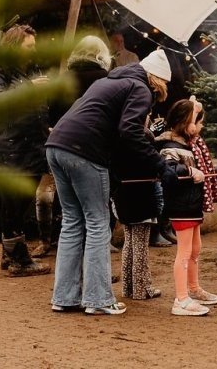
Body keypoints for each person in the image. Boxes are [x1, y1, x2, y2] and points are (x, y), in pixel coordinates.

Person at [45, 49, 176, 315]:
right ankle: (98, 300)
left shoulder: (108, 82)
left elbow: (111, 127)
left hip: (56, 146)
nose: (157, 97)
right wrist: (160, 165)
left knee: (72, 221)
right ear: (158, 80)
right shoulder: (140, 88)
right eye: (161, 91)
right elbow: (129, 131)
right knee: (97, 223)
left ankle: (65, 297)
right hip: (85, 151)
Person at [156, 98, 217, 316]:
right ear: (187, 122)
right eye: (199, 121)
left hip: (192, 204)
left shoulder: (190, 145)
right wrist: (187, 172)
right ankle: (181, 299)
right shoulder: (170, 147)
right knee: (184, 253)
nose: (202, 125)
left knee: (195, 250)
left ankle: (194, 289)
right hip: (181, 206)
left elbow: (204, 168)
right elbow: (166, 171)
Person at [0, 24, 50, 277]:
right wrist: (30, 88)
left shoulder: (29, 68)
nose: (34, 50)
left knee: (19, 205)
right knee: (13, 204)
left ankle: (9, 254)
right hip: (8, 149)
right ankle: (18, 259)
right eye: (29, 46)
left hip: (31, 147)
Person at [35, 36, 111, 258]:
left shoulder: (61, 81)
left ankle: (49, 241)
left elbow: (47, 114)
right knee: (95, 214)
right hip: (91, 150)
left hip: (57, 146)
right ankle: (95, 266)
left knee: (68, 213)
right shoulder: (104, 80)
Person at [112, 116, 164, 301]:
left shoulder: (116, 135)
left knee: (129, 243)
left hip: (122, 195)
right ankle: (142, 288)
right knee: (140, 245)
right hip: (142, 196)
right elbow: (153, 164)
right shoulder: (144, 136)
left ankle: (128, 287)